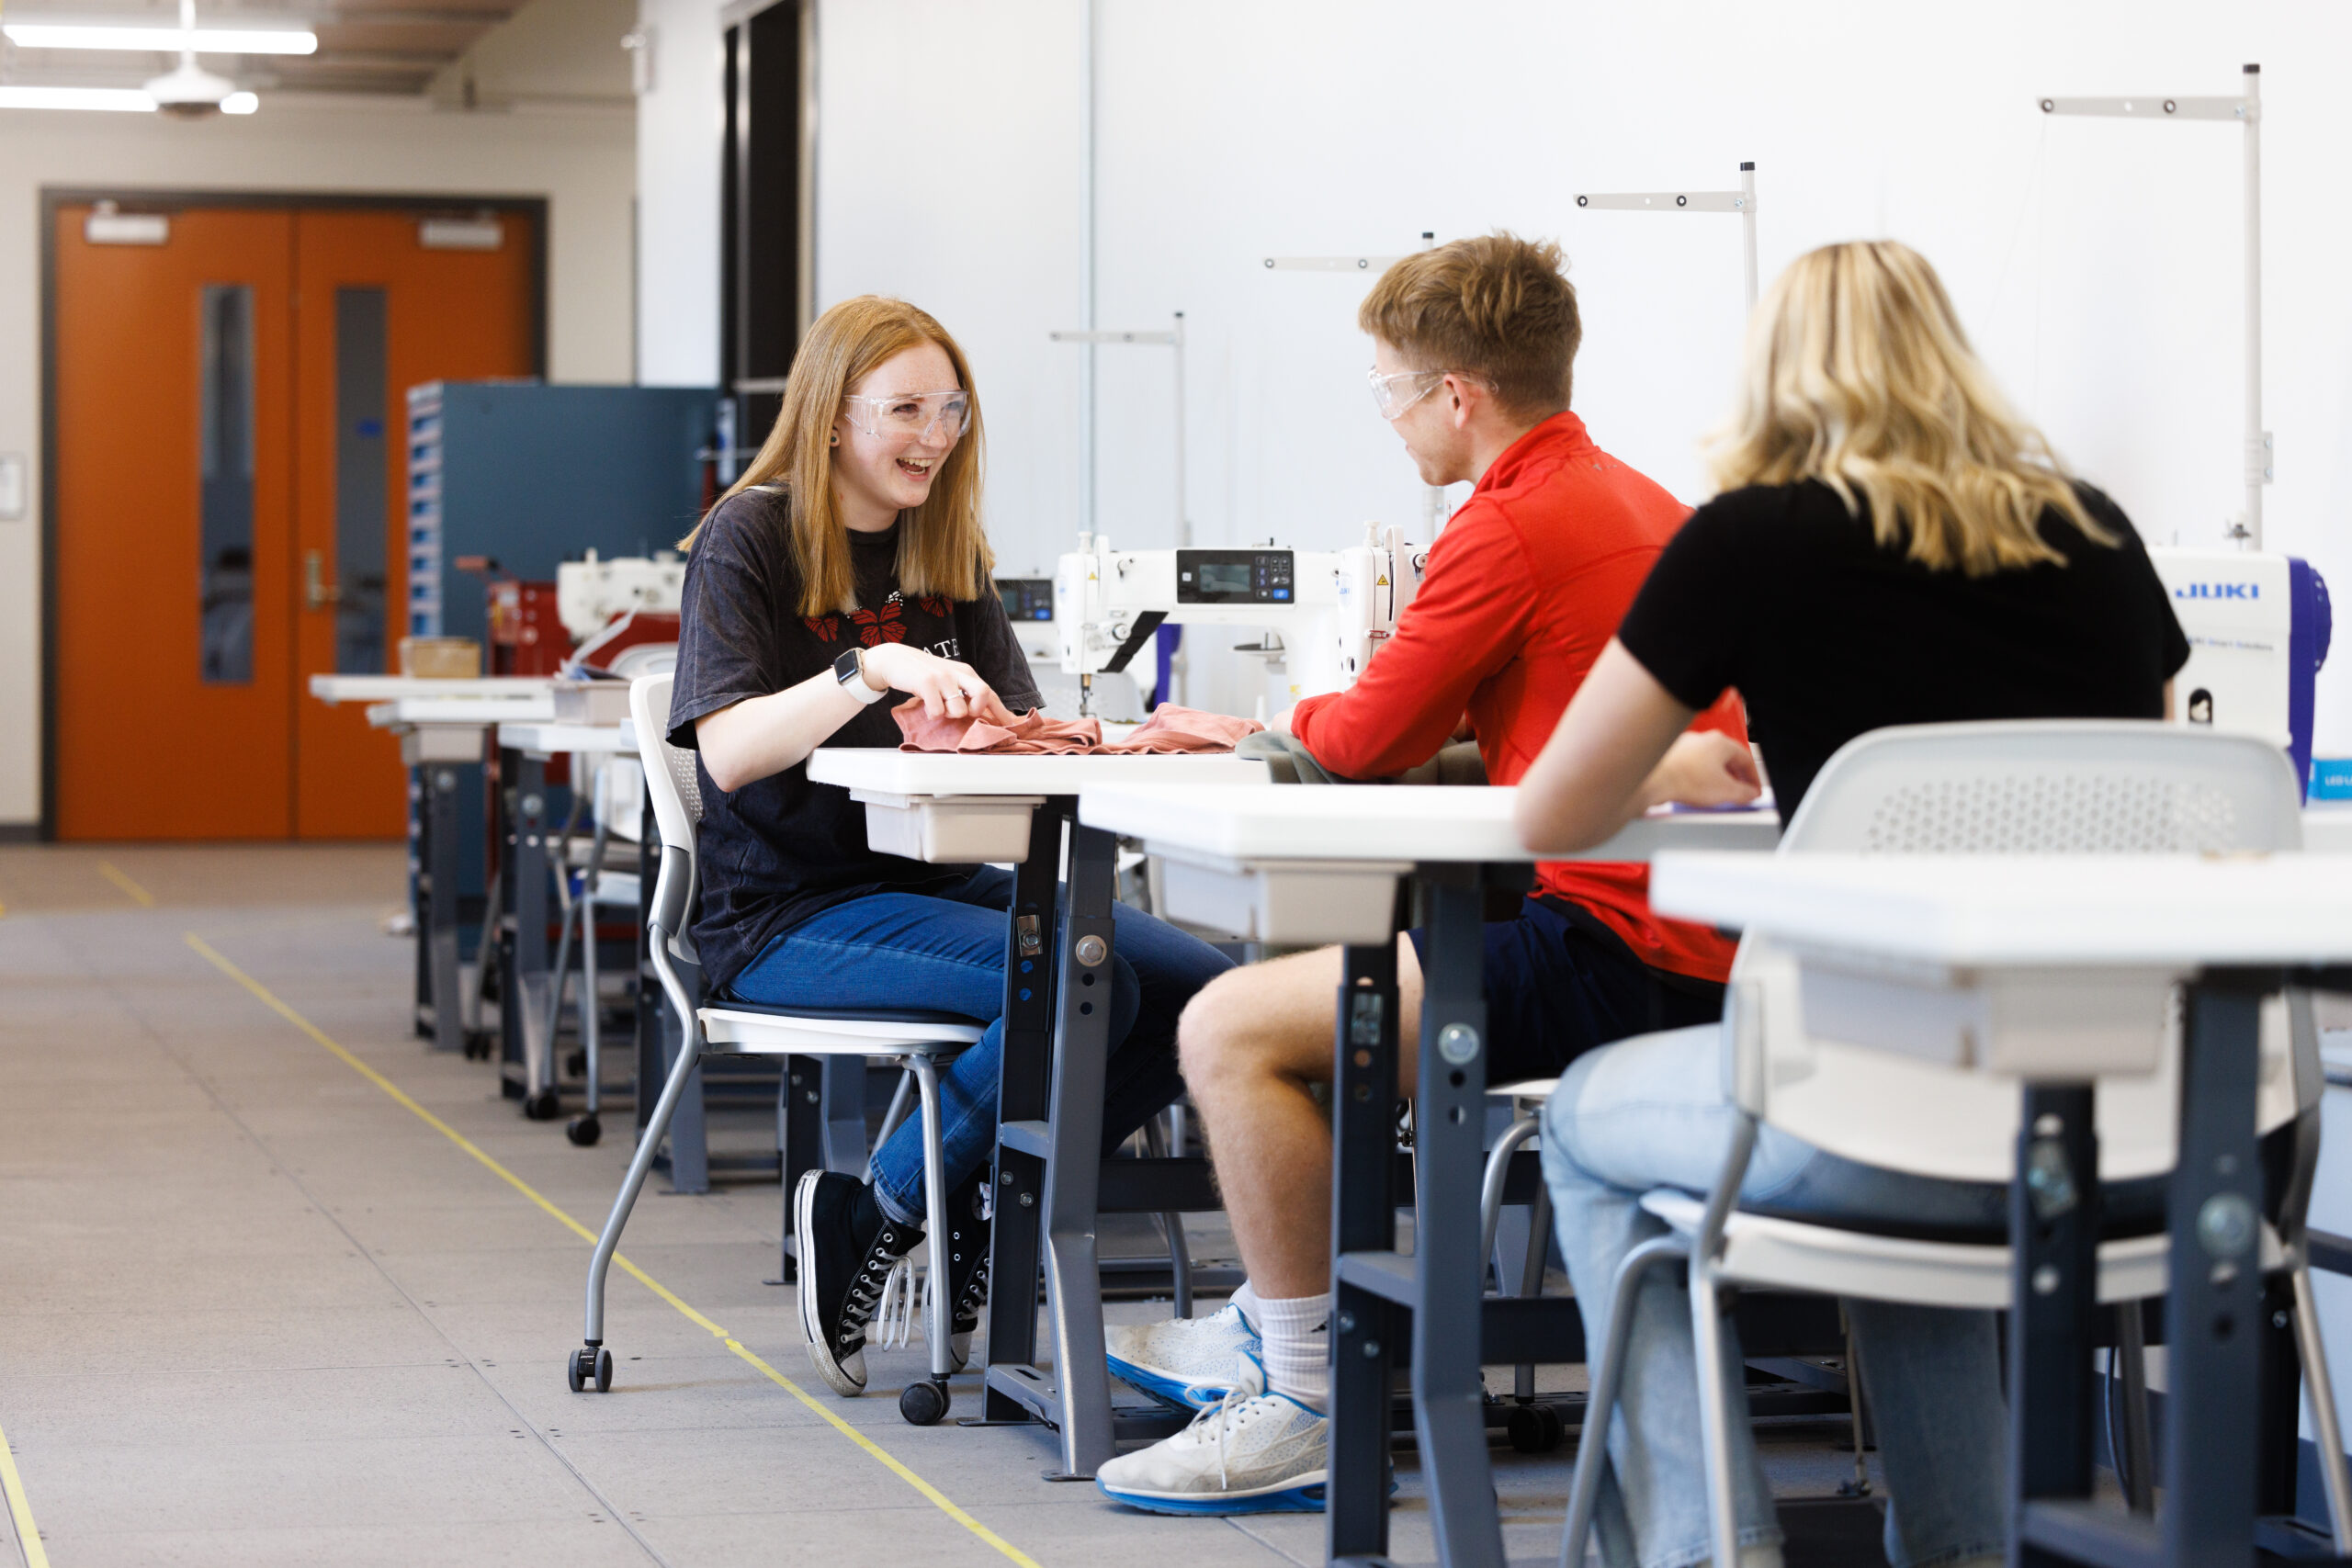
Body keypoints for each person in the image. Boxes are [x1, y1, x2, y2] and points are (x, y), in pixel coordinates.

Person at [1517, 240, 2190, 1568]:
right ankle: (1960, 1543)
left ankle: (1713, 1541)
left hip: (1875, 1115)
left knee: (1585, 1125)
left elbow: (1552, 813)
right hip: (2114, 1120)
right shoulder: (2098, 533)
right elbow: (2152, 782)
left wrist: (1668, 761)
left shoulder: (1753, 542)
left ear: (1777, 375)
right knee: (1915, 1133)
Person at [1095, 233, 1758, 1515]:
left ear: (1458, 392)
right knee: (1326, 997)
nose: (1391, 420)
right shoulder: (1644, 502)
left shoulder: (1505, 521)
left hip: (1615, 959)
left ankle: (1296, 1395)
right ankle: (1264, 1318)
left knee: (1230, 1024)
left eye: (1391, 389)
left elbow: (1364, 737)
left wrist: (1272, 719)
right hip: (1722, 952)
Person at [666, 295, 1233, 1400]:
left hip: (922, 881)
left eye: (952, 408)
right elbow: (728, 754)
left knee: (1200, 997)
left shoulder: (944, 550)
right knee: (1085, 986)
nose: (936, 434)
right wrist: (865, 671)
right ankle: (874, 1205)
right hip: (783, 913)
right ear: (833, 416)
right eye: (907, 409)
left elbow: (1011, 739)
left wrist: (1116, 739)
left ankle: (974, 1196)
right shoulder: (750, 536)